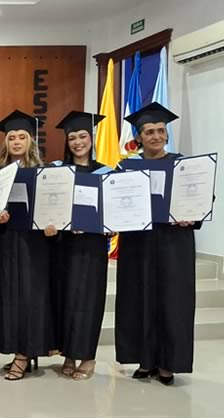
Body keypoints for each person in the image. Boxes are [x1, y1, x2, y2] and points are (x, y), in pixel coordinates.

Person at [116, 102, 198, 386]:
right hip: (138, 242)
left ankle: (168, 363)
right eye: (148, 131)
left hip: (173, 243)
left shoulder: (183, 164)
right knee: (138, 298)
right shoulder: (127, 167)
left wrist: (192, 216)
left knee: (171, 300)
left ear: (166, 135)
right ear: (138, 137)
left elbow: (201, 198)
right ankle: (144, 359)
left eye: (160, 131)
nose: (155, 136)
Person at [0, 110, 56, 381]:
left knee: (31, 297)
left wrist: (54, 225)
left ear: (31, 141)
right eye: (12, 137)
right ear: (6, 143)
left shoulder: (45, 173)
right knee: (11, 296)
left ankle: (23, 355)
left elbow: (54, 208)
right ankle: (19, 350)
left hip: (34, 244)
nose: (16, 142)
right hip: (8, 241)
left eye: (22, 137)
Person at [51, 111, 112, 380]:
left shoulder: (107, 172)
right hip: (63, 245)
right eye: (72, 137)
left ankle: (87, 356)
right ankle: (69, 352)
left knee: (88, 299)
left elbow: (113, 211)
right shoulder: (56, 171)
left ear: (92, 138)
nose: (78, 142)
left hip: (92, 244)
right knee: (65, 296)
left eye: (83, 136)